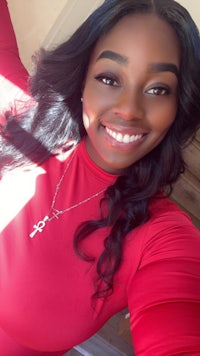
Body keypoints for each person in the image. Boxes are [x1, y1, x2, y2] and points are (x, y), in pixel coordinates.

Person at [0, 0, 200, 354]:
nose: (128, 109)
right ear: (83, 79)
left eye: (158, 89)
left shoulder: (160, 236)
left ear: (178, 107)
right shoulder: (25, 120)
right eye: (109, 78)